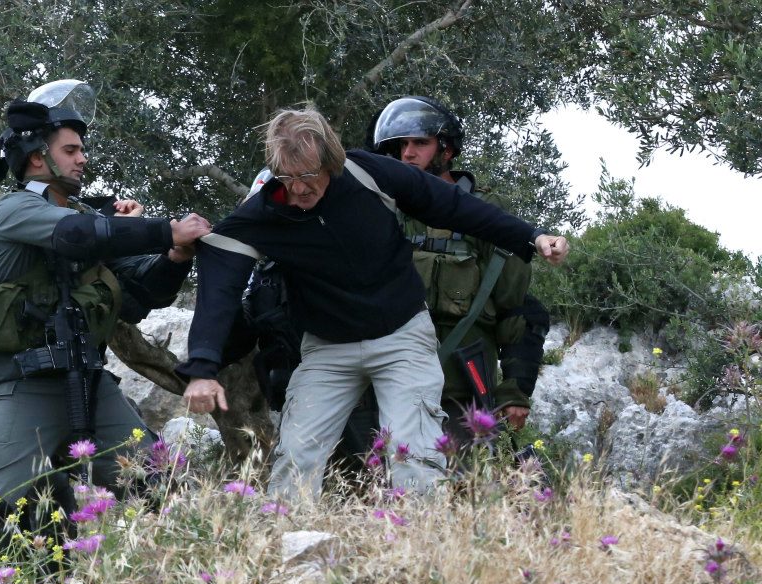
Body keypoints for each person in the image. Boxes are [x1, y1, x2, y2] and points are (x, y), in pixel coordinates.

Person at [177, 107, 568, 501]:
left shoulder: (369, 174)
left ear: (332, 161)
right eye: (287, 178)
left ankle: (417, 548)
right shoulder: (263, 213)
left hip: (402, 336)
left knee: (412, 454)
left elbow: (454, 206)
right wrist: (203, 368)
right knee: (297, 456)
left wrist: (531, 237)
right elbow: (220, 283)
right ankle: (288, 547)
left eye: (308, 176)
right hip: (328, 349)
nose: (298, 189)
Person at [0, 79, 211, 573]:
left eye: (82, 150)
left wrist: (176, 253)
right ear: (38, 157)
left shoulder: (82, 215)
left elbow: (144, 295)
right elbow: (75, 235)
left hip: (88, 384)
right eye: (71, 150)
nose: (83, 160)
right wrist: (160, 227)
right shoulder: (14, 210)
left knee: (159, 481)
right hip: (20, 385)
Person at [369, 96, 550, 448]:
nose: (407, 153)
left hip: (461, 385)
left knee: (466, 490)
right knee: (376, 484)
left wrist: (513, 390)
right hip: (390, 380)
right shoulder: (381, 212)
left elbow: (518, 310)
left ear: (447, 150)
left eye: (420, 143)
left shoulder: (484, 213)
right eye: (400, 145)